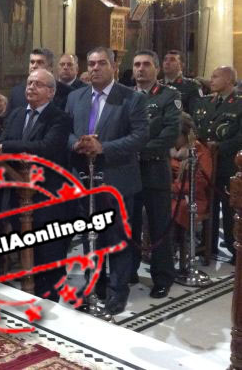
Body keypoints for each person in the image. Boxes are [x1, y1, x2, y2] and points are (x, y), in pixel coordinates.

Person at [66, 47, 148, 315]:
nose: (95, 68)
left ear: (113, 66)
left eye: (102, 63)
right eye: (91, 63)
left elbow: (140, 136)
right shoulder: (76, 97)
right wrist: (77, 143)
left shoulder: (131, 98)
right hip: (85, 179)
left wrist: (104, 148)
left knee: (117, 236)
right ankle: (94, 283)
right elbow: (65, 130)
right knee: (90, 237)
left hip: (118, 178)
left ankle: (118, 290)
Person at [0, 69, 72, 300]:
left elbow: (46, 148)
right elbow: (2, 142)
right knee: (27, 251)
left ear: (51, 92)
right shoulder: (17, 114)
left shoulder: (59, 118)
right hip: (17, 192)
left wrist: (10, 148)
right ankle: (32, 295)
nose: (31, 88)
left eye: (38, 84)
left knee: (49, 253)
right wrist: (9, 147)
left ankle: (50, 300)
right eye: (29, 83)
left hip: (46, 195)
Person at [129, 50, 179, 298]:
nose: (141, 69)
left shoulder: (168, 96)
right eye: (137, 64)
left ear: (157, 69)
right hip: (129, 170)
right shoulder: (125, 95)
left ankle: (163, 277)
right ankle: (129, 270)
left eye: (146, 64)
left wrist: (137, 148)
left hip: (155, 168)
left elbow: (170, 133)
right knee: (130, 224)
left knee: (159, 225)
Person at [192, 66, 242, 260]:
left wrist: (220, 146)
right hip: (206, 164)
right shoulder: (205, 102)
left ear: (228, 80)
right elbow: (198, 129)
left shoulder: (238, 104)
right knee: (208, 203)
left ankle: (234, 246)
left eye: (215, 77)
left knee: (230, 207)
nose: (210, 80)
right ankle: (208, 243)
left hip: (229, 164)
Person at [170, 112, 213, 264]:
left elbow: (201, 183)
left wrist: (174, 187)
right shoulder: (169, 150)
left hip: (193, 198)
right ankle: (158, 253)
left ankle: (177, 254)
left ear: (186, 135)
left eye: (176, 135)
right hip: (171, 194)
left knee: (176, 209)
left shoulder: (199, 151)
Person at [162, 50, 203, 114]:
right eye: (165, 60)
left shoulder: (191, 85)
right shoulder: (156, 85)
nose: (167, 63)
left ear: (181, 65)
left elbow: (196, 112)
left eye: (172, 60)